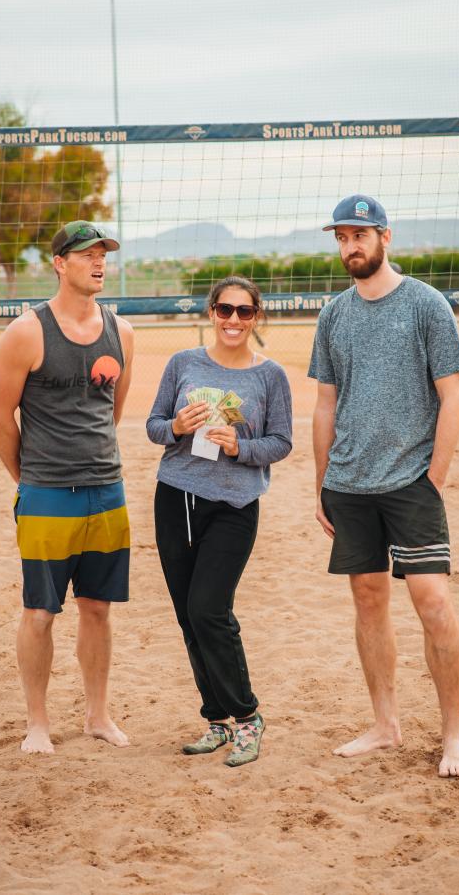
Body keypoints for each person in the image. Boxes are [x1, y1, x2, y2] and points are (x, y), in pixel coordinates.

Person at [309, 195, 459, 778]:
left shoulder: (426, 305)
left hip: (411, 483)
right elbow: (326, 402)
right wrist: (322, 480)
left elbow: (452, 395)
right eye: (341, 237)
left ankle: (454, 735)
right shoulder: (334, 314)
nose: (350, 246)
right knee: (369, 599)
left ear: (385, 237)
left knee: (431, 602)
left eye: (360, 235)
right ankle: (385, 724)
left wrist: (435, 478)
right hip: (350, 484)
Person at [0, 220, 134, 755]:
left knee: (98, 609)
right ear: (59, 262)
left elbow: (110, 413)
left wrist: (92, 464)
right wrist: (28, 480)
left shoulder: (123, 331)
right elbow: (0, 418)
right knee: (40, 613)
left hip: (106, 492)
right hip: (47, 495)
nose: (98, 262)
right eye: (86, 254)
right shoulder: (26, 331)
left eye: (103, 254)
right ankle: (38, 725)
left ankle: (97, 716)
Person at [146, 275, 292, 767]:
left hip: (234, 505)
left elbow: (282, 442)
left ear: (256, 317)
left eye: (244, 312)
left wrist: (239, 446)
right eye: (225, 310)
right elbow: (152, 426)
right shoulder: (182, 364)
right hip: (176, 498)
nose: (234, 320)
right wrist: (176, 427)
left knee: (210, 609)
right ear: (211, 312)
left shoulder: (270, 376)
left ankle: (248, 718)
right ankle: (216, 721)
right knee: (189, 615)